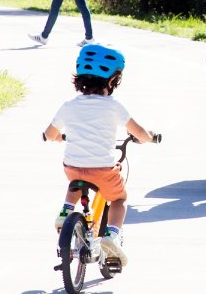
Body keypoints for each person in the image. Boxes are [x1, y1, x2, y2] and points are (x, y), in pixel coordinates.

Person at [42, 44, 158, 269]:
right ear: (113, 81)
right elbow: (139, 133)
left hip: (72, 167)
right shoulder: (114, 107)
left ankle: (66, 210)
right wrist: (149, 137)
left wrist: (58, 138)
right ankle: (111, 236)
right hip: (103, 170)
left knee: (76, 179)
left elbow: (49, 134)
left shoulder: (69, 106)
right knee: (119, 199)